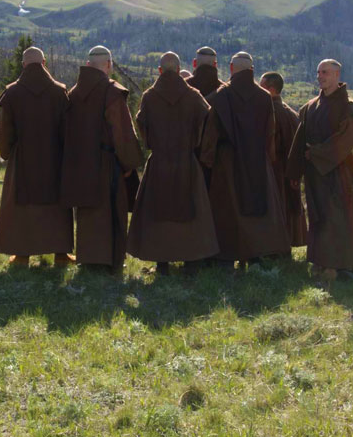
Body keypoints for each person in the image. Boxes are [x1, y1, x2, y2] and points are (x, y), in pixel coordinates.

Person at [128, 52, 219, 274]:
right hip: (187, 161)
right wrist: (196, 145)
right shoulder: (193, 95)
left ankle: (162, 263)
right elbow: (207, 121)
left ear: (160, 71)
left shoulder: (149, 97)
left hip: (159, 162)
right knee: (191, 209)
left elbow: (142, 124)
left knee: (159, 210)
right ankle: (191, 261)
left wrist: (152, 144)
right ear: (179, 70)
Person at [200, 52, 291, 269]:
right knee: (257, 207)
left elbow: (211, 133)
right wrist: (268, 160)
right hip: (257, 160)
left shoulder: (220, 96)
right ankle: (256, 255)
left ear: (231, 69)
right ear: (251, 70)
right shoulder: (264, 97)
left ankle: (226, 257)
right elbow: (270, 132)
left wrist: (207, 161)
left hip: (226, 161)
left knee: (227, 209)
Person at [287, 60, 353, 280]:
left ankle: (345, 266)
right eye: (318, 72)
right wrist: (294, 171)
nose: (320, 76)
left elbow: (346, 139)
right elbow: (300, 140)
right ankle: (321, 263)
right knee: (320, 216)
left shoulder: (349, 108)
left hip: (343, 174)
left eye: (325, 72)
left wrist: (315, 154)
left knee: (342, 218)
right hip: (316, 174)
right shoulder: (310, 106)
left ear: (337, 74)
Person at [61, 46, 143, 272]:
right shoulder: (112, 92)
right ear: (109, 65)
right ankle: (109, 261)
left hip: (80, 162)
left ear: (88, 65)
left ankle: (87, 258)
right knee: (110, 210)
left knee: (86, 212)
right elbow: (122, 132)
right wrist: (129, 163)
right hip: (107, 163)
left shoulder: (73, 93)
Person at [0, 47, 74, 266]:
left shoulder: (12, 93)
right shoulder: (60, 91)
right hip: (54, 158)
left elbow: (4, 130)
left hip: (23, 158)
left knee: (23, 204)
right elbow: (68, 130)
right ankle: (60, 254)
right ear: (44, 63)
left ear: (23, 65)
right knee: (56, 205)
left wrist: (7, 153)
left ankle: (21, 254)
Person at [260, 71, 306, 250]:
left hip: (276, 169)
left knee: (278, 207)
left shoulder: (273, 112)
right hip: (289, 170)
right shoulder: (290, 112)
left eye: (262, 87)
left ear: (271, 90)